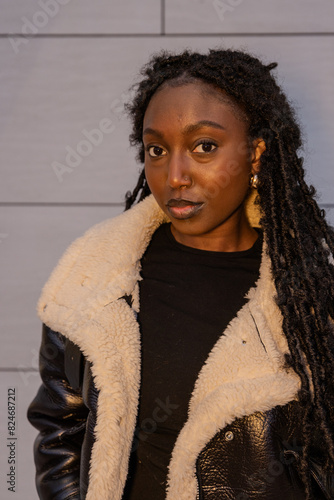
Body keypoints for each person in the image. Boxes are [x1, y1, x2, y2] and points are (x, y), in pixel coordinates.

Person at [27, 48, 334, 500]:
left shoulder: (306, 297)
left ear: (256, 154)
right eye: (157, 149)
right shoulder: (93, 279)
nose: (174, 175)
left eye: (204, 147)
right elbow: (58, 430)